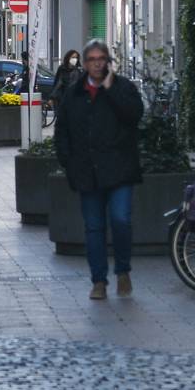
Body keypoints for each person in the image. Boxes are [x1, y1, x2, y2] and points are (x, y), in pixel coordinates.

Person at [52, 39, 144, 300]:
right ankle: (99, 281)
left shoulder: (123, 87)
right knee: (94, 228)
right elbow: (63, 131)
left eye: (100, 59)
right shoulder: (74, 93)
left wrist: (110, 90)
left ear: (107, 62)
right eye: (91, 59)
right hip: (87, 172)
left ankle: (123, 269)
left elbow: (134, 115)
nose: (96, 64)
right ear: (84, 63)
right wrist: (68, 162)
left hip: (119, 170)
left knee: (121, 220)